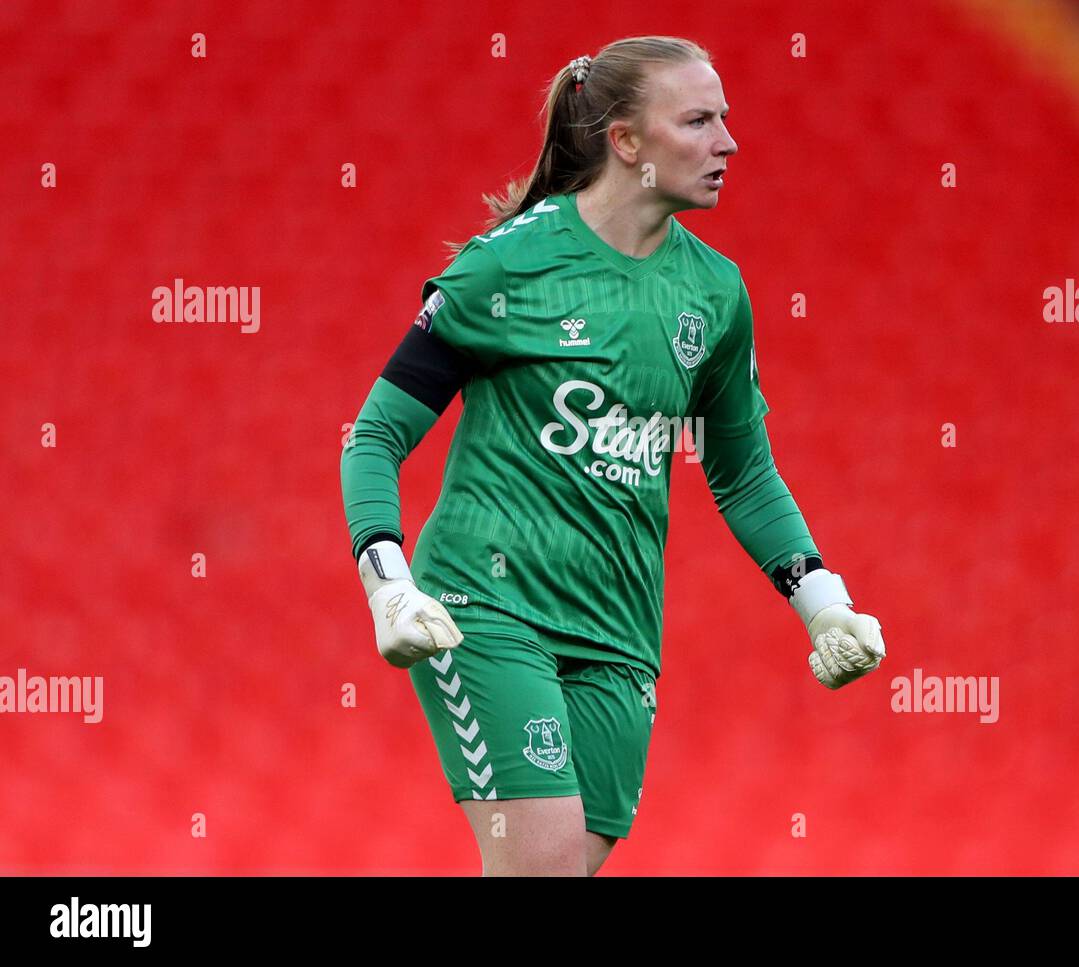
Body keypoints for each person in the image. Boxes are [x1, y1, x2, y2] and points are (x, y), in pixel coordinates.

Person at [339, 35, 886, 876]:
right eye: (698, 121)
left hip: (619, 632)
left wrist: (823, 601)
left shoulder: (715, 291)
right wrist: (388, 581)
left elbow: (740, 470)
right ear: (626, 142)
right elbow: (376, 433)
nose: (728, 142)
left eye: (726, 120)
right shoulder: (511, 265)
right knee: (545, 865)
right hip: (485, 607)